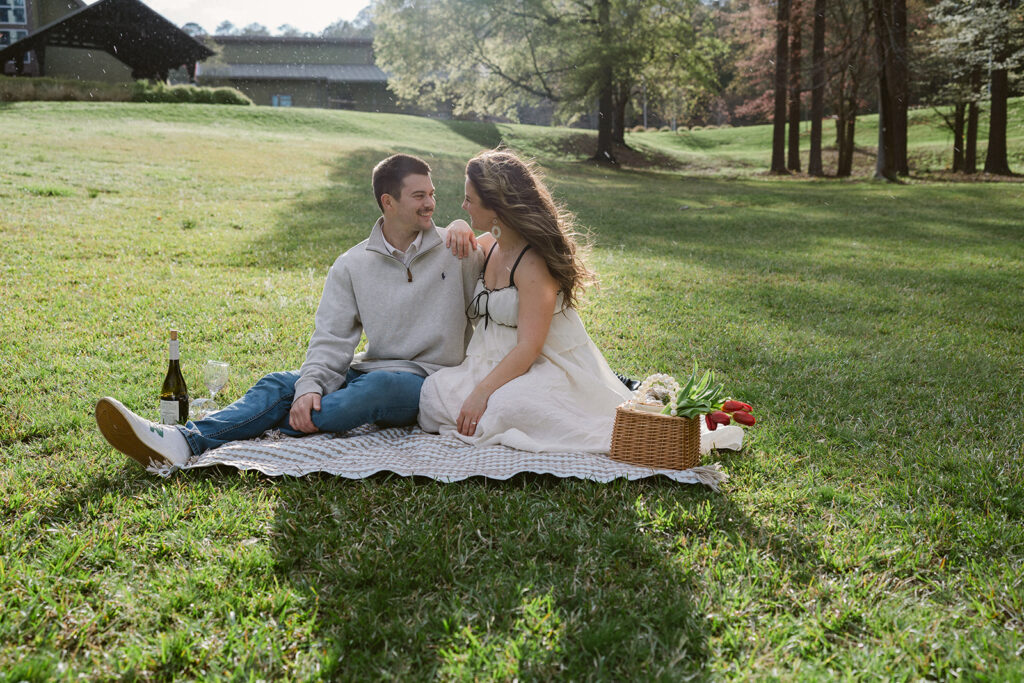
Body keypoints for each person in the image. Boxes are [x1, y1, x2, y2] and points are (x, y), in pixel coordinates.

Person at [96, 153, 484, 469]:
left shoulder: (457, 248)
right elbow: (331, 339)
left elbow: (506, 248)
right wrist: (309, 389)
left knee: (373, 391)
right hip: (370, 368)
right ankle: (184, 440)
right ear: (389, 201)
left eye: (431, 193)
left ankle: (250, 425)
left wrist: (464, 227)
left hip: (426, 381)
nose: (431, 203)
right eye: (419, 196)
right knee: (280, 384)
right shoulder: (351, 265)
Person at [417, 149, 635, 452]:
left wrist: (481, 394)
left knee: (506, 407)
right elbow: (457, 241)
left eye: (469, 200)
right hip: (490, 364)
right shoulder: (491, 245)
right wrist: (457, 224)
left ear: (496, 207)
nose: (463, 205)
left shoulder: (533, 263)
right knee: (432, 397)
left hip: (543, 366)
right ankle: (489, 408)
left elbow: (529, 348)